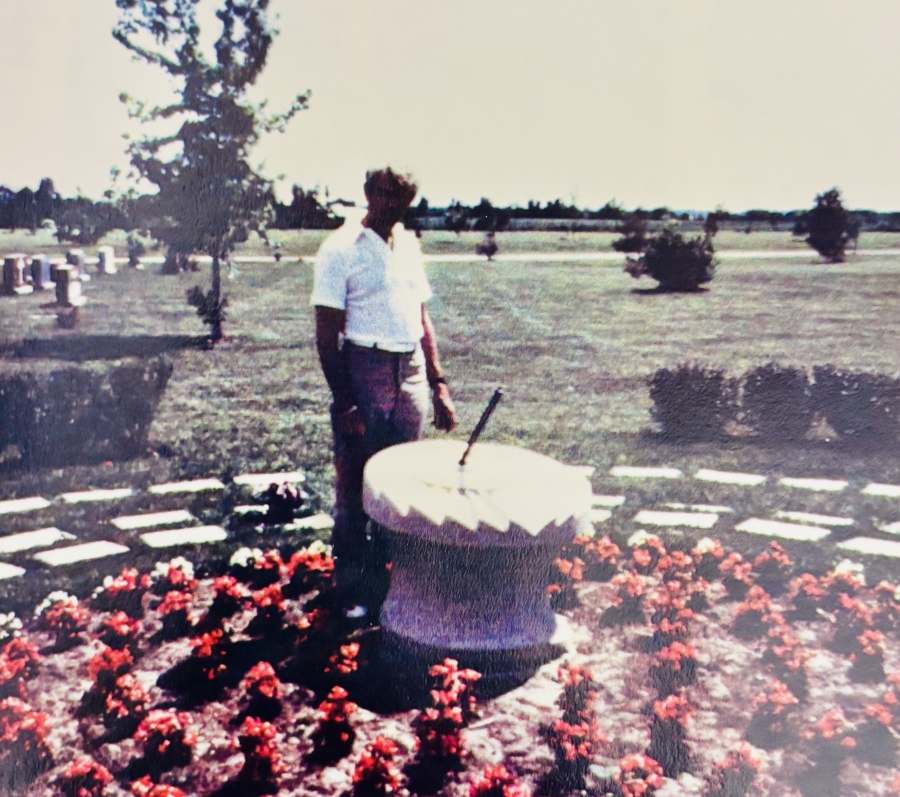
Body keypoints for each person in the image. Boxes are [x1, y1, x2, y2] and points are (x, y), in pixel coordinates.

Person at [311, 167, 458, 617]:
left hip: (409, 368)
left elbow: (421, 318)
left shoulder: (408, 244)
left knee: (403, 481)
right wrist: (346, 398)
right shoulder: (339, 249)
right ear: (369, 193)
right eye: (388, 195)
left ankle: (392, 583)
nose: (395, 206)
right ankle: (352, 591)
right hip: (364, 368)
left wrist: (437, 383)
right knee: (356, 483)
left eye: (405, 199)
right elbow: (325, 334)